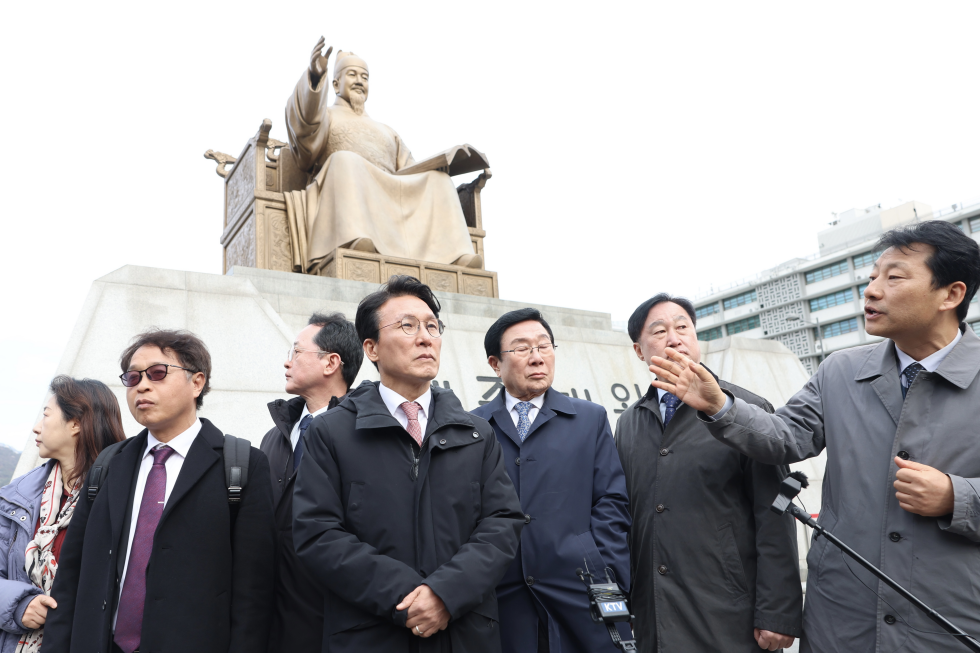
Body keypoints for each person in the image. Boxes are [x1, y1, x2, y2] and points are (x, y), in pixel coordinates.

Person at [648, 220, 980, 653]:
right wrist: (719, 406)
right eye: (872, 277)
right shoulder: (840, 371)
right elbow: (783, 437)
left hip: (948, 620)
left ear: (951, 294)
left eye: (894, 277)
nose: (872, 290)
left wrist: (958, 497)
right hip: (842, 619)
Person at [292, 275, 525, 652]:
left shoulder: (477, 434)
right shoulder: (331, 432)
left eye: (432, 326)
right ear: (372, 348)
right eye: (407, 326)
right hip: (371, 633)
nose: (425, 337)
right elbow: (317, 533)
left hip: (464, 634)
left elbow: (501, 525)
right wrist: (409, 597)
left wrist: (445, 594)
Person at [45, 329, 276, 653]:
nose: (142, 385)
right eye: (132, 376)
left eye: (157, 373)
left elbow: (254, 596)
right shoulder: (109, 464)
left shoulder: (241, 466)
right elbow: (70, 579)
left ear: (197, 382)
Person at [615, 294, 802, 652]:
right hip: (653, 613)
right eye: (659, 331)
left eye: (683, 327)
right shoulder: (629, 423)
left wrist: (777, 613)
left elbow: (776, 512)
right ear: (639, 351)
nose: (674, 337)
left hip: (728, 613)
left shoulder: (745, 410)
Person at [470, 308, 631, 653]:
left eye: (544, 346)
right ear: (495, 364)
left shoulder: (589, 418)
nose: (537, 357)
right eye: (522, 348)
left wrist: (608, 573)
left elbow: (611, 502)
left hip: (580, 587)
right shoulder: (473, 428)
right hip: (502, 593)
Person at [283, 39, 483, 270]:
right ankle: (353, 238)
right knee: (344, 159)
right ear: (336, 84)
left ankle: (456, 255)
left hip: (389, 192)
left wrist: (440, 165)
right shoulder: (326, 115)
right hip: (343, 186)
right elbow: (305, 127)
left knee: (439, 180)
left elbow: (410, 170)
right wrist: (315, 78)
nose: (359, 81)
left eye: (364, 77)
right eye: (352, 75)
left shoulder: (387, 131)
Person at [261, 311, 363, 653]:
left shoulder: (364, 436)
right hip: (274, 621)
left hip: (336, 621)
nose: (287, 362)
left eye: (296, 352)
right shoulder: (274, 437)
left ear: (331, 362)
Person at [0, 376, 124, 653]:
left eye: (45, 415)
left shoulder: (124, 494)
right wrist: (20, 603)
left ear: (76, 423)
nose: (35, 428)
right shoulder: (15, 498)